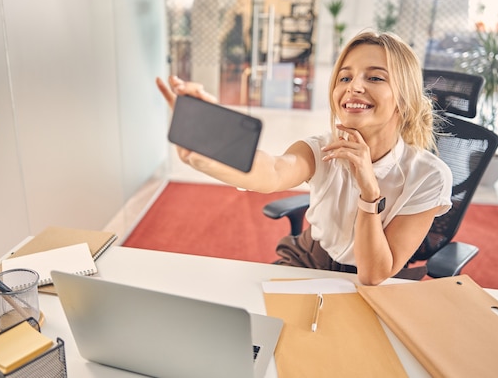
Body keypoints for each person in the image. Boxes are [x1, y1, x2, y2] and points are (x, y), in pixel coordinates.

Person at [156, 31, 452, 285]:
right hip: (310, 259)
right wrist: (210, 141)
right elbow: (271, 171)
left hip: (377, 279)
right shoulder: (322, 148)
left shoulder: (429, 176)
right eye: (344, 77)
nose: (354, 86)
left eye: (374, 77)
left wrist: (369, 192)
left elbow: (374, 274)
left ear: (405, 98)